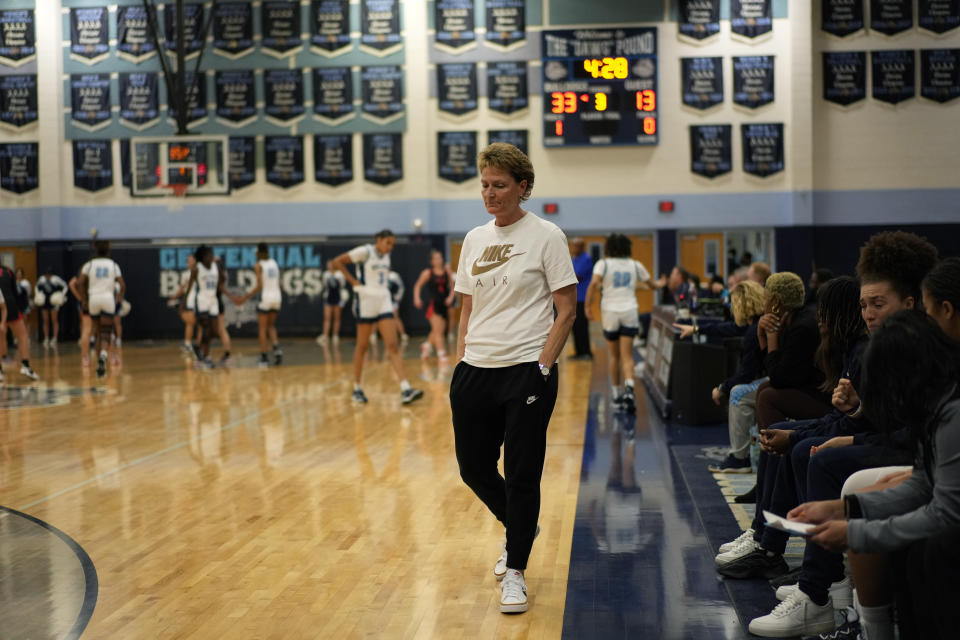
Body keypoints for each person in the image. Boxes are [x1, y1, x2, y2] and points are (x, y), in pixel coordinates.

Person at [449, 142, 578, 614]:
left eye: (500, 185)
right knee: (473, 467)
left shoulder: (547, 236)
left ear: (523, 187)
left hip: (526, 369)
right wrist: (461, 356)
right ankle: (520, 526)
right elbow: (467, 305)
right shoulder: (474, 239)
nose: (490, 193)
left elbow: (567, 310)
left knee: (523, 474)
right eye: (485, 184)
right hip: (475, 370)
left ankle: (517, 571)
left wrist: (542, 367)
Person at [787, 311, 960, 640]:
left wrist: (855, 534)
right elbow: (923, 484)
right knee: (911, 552)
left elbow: (945, 513)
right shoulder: (934, 409)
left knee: (931, 552)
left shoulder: (952, 415)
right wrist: (842, 509)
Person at [328, 230, 423, 405]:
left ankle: (405, 388)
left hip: (383, 299)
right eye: (388, 243)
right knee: (362, 346)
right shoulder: (364, 251)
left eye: (392, 244)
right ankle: (357, 388)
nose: (390, 247)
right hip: (366, 301)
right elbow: (337, 262)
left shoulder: (386, 257)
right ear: (378, 240)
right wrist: (354, 282)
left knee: (392, 345)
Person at [584, 233, 656, 413]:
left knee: (614, 356)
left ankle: (616, 395)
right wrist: (662, 283)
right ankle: (629, 390)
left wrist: (587, 306)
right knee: (627, 356)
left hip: (610, 312)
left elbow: (593, 284)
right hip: (630, 311)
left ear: (609, 248)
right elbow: (653, 285)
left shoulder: (603, 264)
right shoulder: (635, 264)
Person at [706, 279, 767, 473]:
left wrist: (722, 388)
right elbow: (730, 328)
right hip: (774, 378)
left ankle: (740, 458)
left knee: (738, 393)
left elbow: (745, 375)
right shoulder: (756, 324)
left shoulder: (754, 331)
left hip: (779, 381)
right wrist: (698, 328)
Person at [78, 241, 125, 378]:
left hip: (93, 299)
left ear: (95, 250)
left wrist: (83, 300)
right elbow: (122, 285)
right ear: (108, 250)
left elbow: (80, 283)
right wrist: (119, 298)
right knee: (106, 332)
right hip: (107, 298)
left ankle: (100, 363)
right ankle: (104, 355)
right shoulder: (113, 265)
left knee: (97, 332)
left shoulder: (89, 264)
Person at [235, 243, 283, 368]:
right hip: (277, 297)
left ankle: (264, 356)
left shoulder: (259, 265)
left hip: (266, 297)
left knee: (262, 328)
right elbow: (279, 282)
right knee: (271, 326)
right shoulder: (274, 263)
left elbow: (259, 286)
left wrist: (245, 297)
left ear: (258, 253)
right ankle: (277, 349)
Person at [181, 245, 229, 369]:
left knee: (214, 331)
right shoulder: (198, 268)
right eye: (209, 254)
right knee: (206, 329)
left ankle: (198, 347)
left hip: (213, 301)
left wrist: (220, 268)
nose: (211, 256)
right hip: (202, 301)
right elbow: (190, 286)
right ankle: (206, 357)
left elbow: (221, 282)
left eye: (212, 254)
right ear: (202, 257)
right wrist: (183, 302)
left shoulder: (215, 266)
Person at [413, 250, 454, 363]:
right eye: (436, 258)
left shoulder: (447, 271)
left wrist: (451, 297)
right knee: (438, 331)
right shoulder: (427, 273)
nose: (439, 260)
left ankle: (426, 346)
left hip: (444, 304)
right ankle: (442, 354)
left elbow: (452, 286)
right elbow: (417, 286)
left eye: (440, 257)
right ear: (431, 261)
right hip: (432, 305)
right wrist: (417, 298)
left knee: (438, 330)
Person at [0, 265, 38, 380]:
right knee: (22, 336)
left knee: (1, 337)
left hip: (4, 305)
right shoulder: (8, 271)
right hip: (10, 305)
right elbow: (15, 292)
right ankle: (26, 365)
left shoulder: (8, 271)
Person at [169, 254, 200, 357]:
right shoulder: (186, 274)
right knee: (190, 323)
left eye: (191, 260)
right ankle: (188, 345)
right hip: (190, 301)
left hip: (201, 301)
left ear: (195, 261)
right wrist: (173, 298)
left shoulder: (201, 272)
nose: (189, 262)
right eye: (188, 260)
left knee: (197, 323)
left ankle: (199, 347)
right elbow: (182, 289)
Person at [569, 237, 593, 359]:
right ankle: (578, 352)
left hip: (582, 298)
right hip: (573, 298)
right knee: (575, 327)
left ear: (582, 247)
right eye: (573, 245)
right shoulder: (574, 258)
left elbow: (575, 275)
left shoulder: (586, 259)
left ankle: (586, 352)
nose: (573, 248)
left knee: (582, 326)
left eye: (576, 246)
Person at [34, 268, 67, 348]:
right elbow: (36, 287)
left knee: (54, 320)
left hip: (54, 301)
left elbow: (65, 286)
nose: (48, 276)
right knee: (45, 320)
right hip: (45, 301)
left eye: (49, 274)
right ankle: (46, 338)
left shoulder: (56, 279)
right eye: (46, 274)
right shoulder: (42, 279)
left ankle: (55, 338)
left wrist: (62, 295)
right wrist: (38, 295)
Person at [317, 268, 348, 345]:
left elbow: (343, 285)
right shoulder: (326, 274)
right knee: (327, 318)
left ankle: (335, 336)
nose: (330, 265)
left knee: (337, 318)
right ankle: (325, 336)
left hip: (338, 298)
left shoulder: (340, 275)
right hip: (329, 298)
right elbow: (325, 284)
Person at [68, 273, 93, 366]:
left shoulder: (81, 280)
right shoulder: (91, 278)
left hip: (85, 303)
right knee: (103, 328)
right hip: (91, 302)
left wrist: (80, 299)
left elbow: (71, 284)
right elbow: (71, 284)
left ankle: (85, 357)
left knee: (85, 328)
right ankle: (111, 356)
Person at [387, 270, 409, 344]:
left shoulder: (394, 275)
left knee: (395, 317)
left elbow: (401, 287)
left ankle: (403, 334)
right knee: (376, 319)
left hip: (392, 300)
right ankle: (373, 335)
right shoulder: (375, 274)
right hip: (380, 301)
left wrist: (398, 298)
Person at [15, 268, 32, 342]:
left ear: (22, 274)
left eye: (20, 273)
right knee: (17, 322)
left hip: (25, 304)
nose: (19, 275)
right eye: (17, 273)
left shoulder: (26, 283)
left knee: (25, 321)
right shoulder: (14, 282)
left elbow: (29, 293)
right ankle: (17, 337)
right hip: (16, 304)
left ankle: (27, 337)